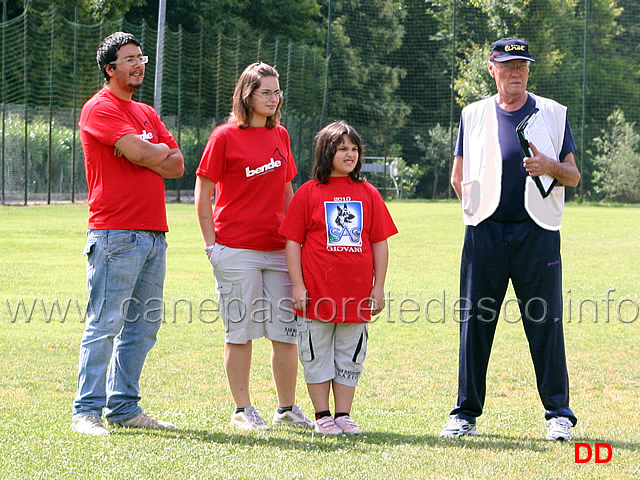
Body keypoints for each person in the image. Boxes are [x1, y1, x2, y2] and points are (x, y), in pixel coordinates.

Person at [440, 38, 581, 441]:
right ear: (492, 69)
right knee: (475, 323)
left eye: (521, 65)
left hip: (537, 234)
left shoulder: (552, 113)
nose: (514, 72)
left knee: (545, 322)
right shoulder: (473, 114)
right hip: (484, 232)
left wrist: (547, 165)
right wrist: (478, 213)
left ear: (528, 71)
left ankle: (559, 414)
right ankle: (465, 413)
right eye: (507, 65)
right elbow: (458, 175)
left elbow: (572, 176)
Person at [71, 32, 184, 436]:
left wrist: (141, 151)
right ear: (110, 68)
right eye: (130, 59)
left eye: (142, 57)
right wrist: (147, 153)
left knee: (143, 326)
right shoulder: (98, 108)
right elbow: (148, 155)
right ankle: (86, 412)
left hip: (154, 234)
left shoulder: (147, 113)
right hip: (114, 232)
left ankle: (123, 407)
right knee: (105, 323)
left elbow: (177, 165)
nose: (139, 64)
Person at [194, 62, 313, 431]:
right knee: (240, 333)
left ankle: (287, 409)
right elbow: (203, 195)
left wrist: (297, 241)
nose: (274, 98)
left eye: (278, 92)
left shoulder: (281, 136)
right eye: (267, 92)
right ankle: (243, 410)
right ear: (247, 95)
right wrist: (212, 247)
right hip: (236, 250)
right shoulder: (224, 136)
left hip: (278, 251)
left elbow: (287, 190)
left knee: (285, 334)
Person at [279, 121, 398, 435]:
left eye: (354, 149)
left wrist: (379, 286)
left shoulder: (368, 193)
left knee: (350, 354)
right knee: (316, 353)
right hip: (316, 294)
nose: (350, 154)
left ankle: (344, 415)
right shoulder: (308, 193)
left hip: (356, 295)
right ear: (326, 152)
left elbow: (379, 242)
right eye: (342, 148)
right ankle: (322, 416)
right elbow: (293, 242)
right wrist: (298, 285)